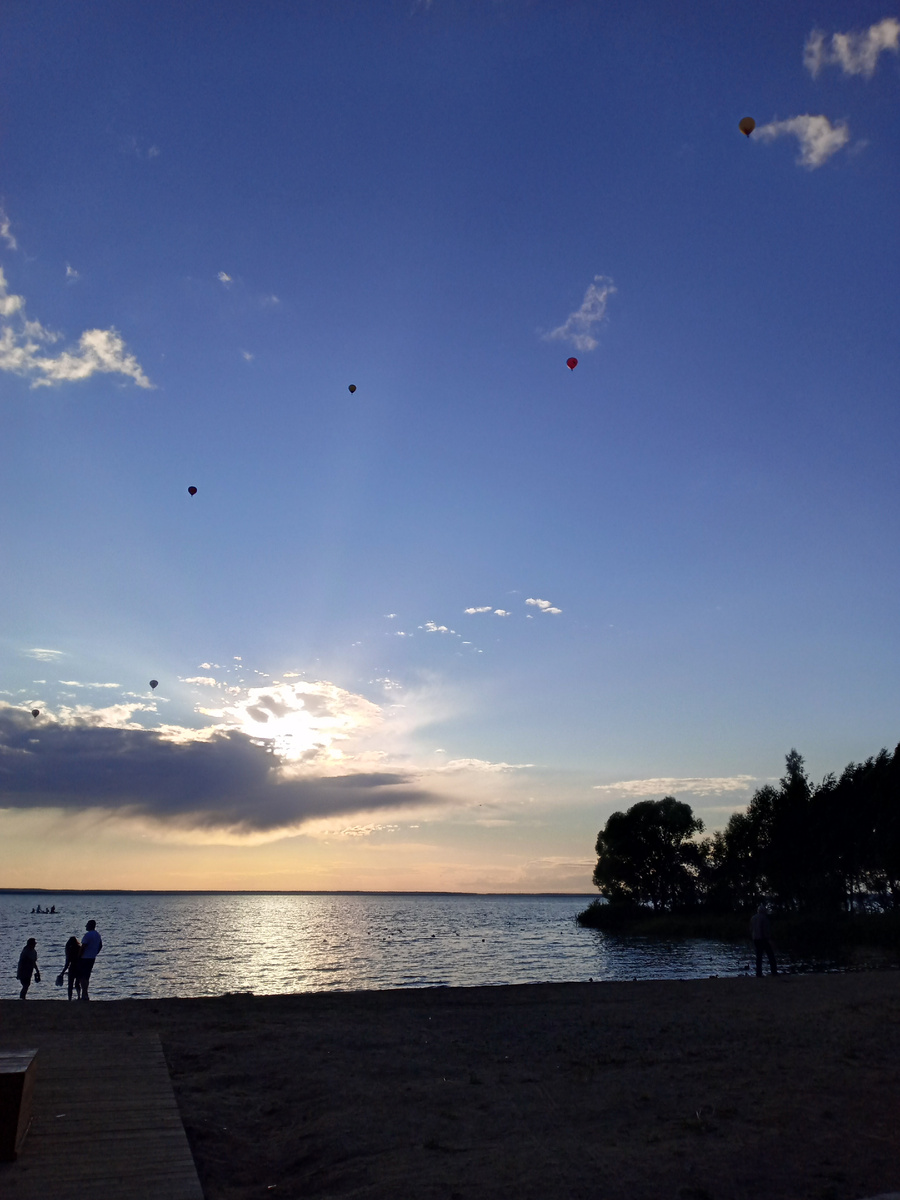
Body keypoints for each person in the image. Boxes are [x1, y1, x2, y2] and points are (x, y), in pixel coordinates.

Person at [750, 902, 777, 976]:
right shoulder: (764, 918)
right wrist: (769, 939)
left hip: (755, 939)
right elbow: (765, 930)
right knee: (770, 955)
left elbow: (751, 929)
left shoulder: (753, 918)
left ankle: (758, 973)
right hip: (763, 938)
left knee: (759, 956)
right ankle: (773, 972)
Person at [77, 920, 102, 1000]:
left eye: (87, 925)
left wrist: (78, 956)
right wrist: (95, 952)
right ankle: (85, 994)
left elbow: (83, 947)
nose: (85, 926)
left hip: (84, 958)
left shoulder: (87, 935)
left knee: (82, 976)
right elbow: (100, 945)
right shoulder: (97, 935)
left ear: (90, 926)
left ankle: (84, 994)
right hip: (92, 957)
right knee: (87, 976)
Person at [62, 935, 82, 1000]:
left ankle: (69, 998)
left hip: (72, 967)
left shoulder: (70, 950)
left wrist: (63, 972)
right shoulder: (79, 948)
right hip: (79, 968)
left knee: (70, 984)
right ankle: (79, 996)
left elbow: (67, 963)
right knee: (77, 983)